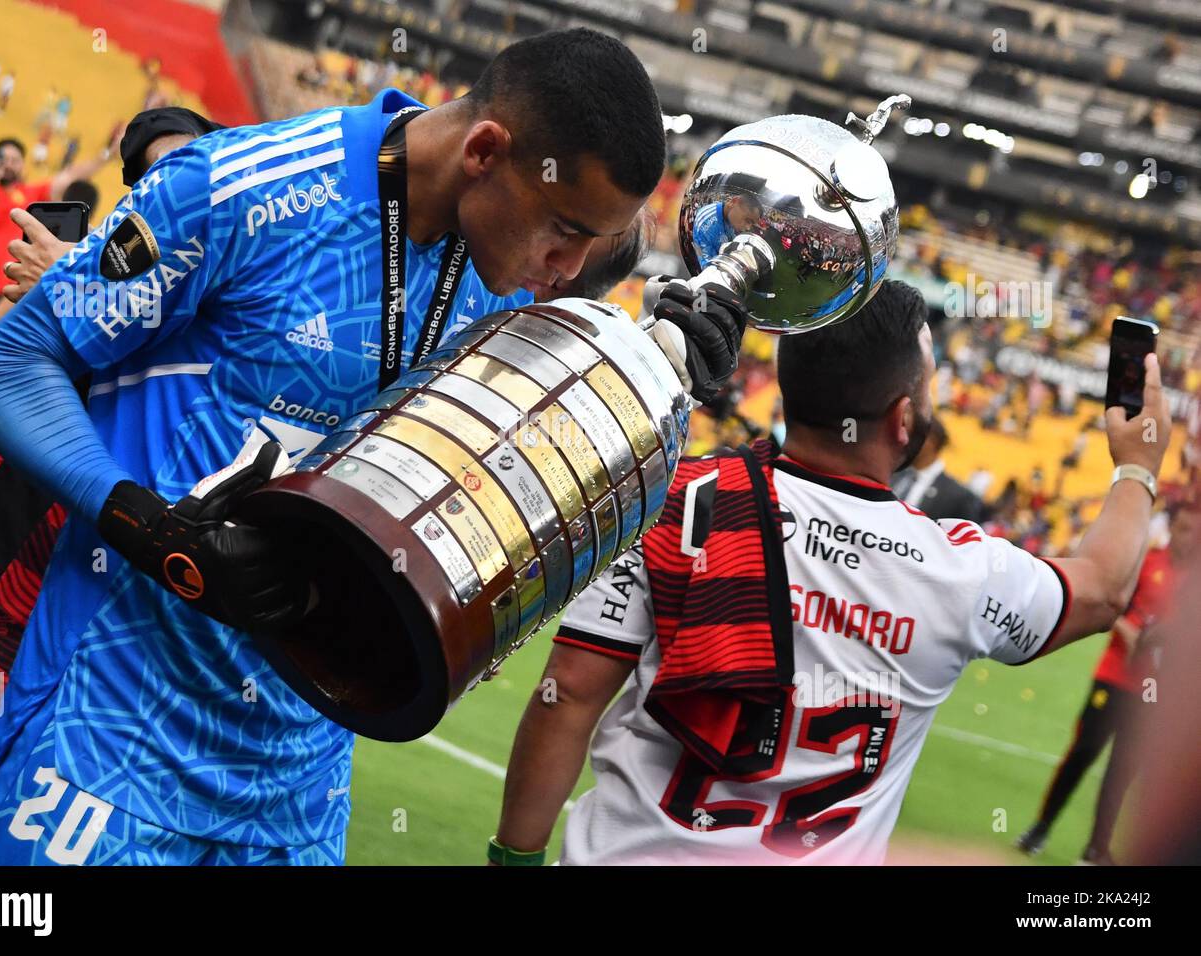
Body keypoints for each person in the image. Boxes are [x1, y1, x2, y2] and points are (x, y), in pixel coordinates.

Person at [0, 27, 745, 866]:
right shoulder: (242, 188)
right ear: (484, 150)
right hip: (108, 740)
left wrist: (662, 366)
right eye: (566, 230)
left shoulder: (504, 272)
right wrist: (147, 529)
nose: (568, 267)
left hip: (300, 784)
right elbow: (8, 364)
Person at [490, 279, 1170, 866]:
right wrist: (1136, 463)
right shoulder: (961, 568)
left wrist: (515, 857)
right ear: (905, 419)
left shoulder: (677, 501)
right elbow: (1104, 586)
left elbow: (571, 691)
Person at [0, 109, 224, 867]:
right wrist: (69, 298)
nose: (164, 189)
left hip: (27, 649)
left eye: (187, 169)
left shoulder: (212, 333)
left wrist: (75, 298)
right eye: (146, 176)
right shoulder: (98, 282)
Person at [1015, 501, 1196, 863]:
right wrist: (1130, 632)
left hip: (1155, 691)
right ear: (1171, 527)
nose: (1190, 538)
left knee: (1123, 768)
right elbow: (1115, 606)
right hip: (1115, 675)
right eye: (1186, 529)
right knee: (1083, 751)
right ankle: (1040, 827)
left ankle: (1097, 848)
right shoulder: (1147, 561)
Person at [0, 134, 120, 402]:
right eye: (4, 159)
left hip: (1, 295)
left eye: (15, 160)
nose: (10, 165)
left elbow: (67, 177)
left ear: (23, 165)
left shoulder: (29, 194)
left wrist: (104, 156)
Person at [890, 416, 989, 523]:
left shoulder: (959, 496)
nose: (905, 440)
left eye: (913, 435)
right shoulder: (893, 473)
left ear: (932, 441)